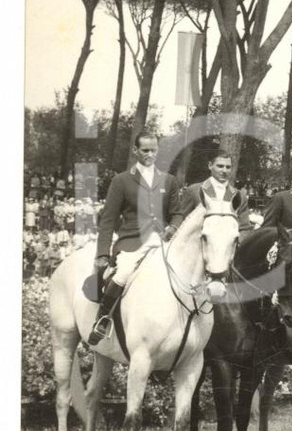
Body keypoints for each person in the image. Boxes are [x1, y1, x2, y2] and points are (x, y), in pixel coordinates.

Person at [87, 130, 186, 345]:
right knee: (122, 273)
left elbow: (177, 212)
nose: (150, 154)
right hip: (132, 241)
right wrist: (103, 252)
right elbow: (108, 219)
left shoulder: (168, 180)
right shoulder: (122, 180)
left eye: (154, 150)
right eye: (145, 150)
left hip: (162, 242)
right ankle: (102, 319)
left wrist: (174, 227)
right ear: (135, 151)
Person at [181, 148, 252, 232]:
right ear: (210, 166)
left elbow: (245, 228)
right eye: (220, 166)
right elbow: (182, 223)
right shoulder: (194, 191)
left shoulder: (238, 195)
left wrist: (236, 242)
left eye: (228, 167)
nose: (224, 170)